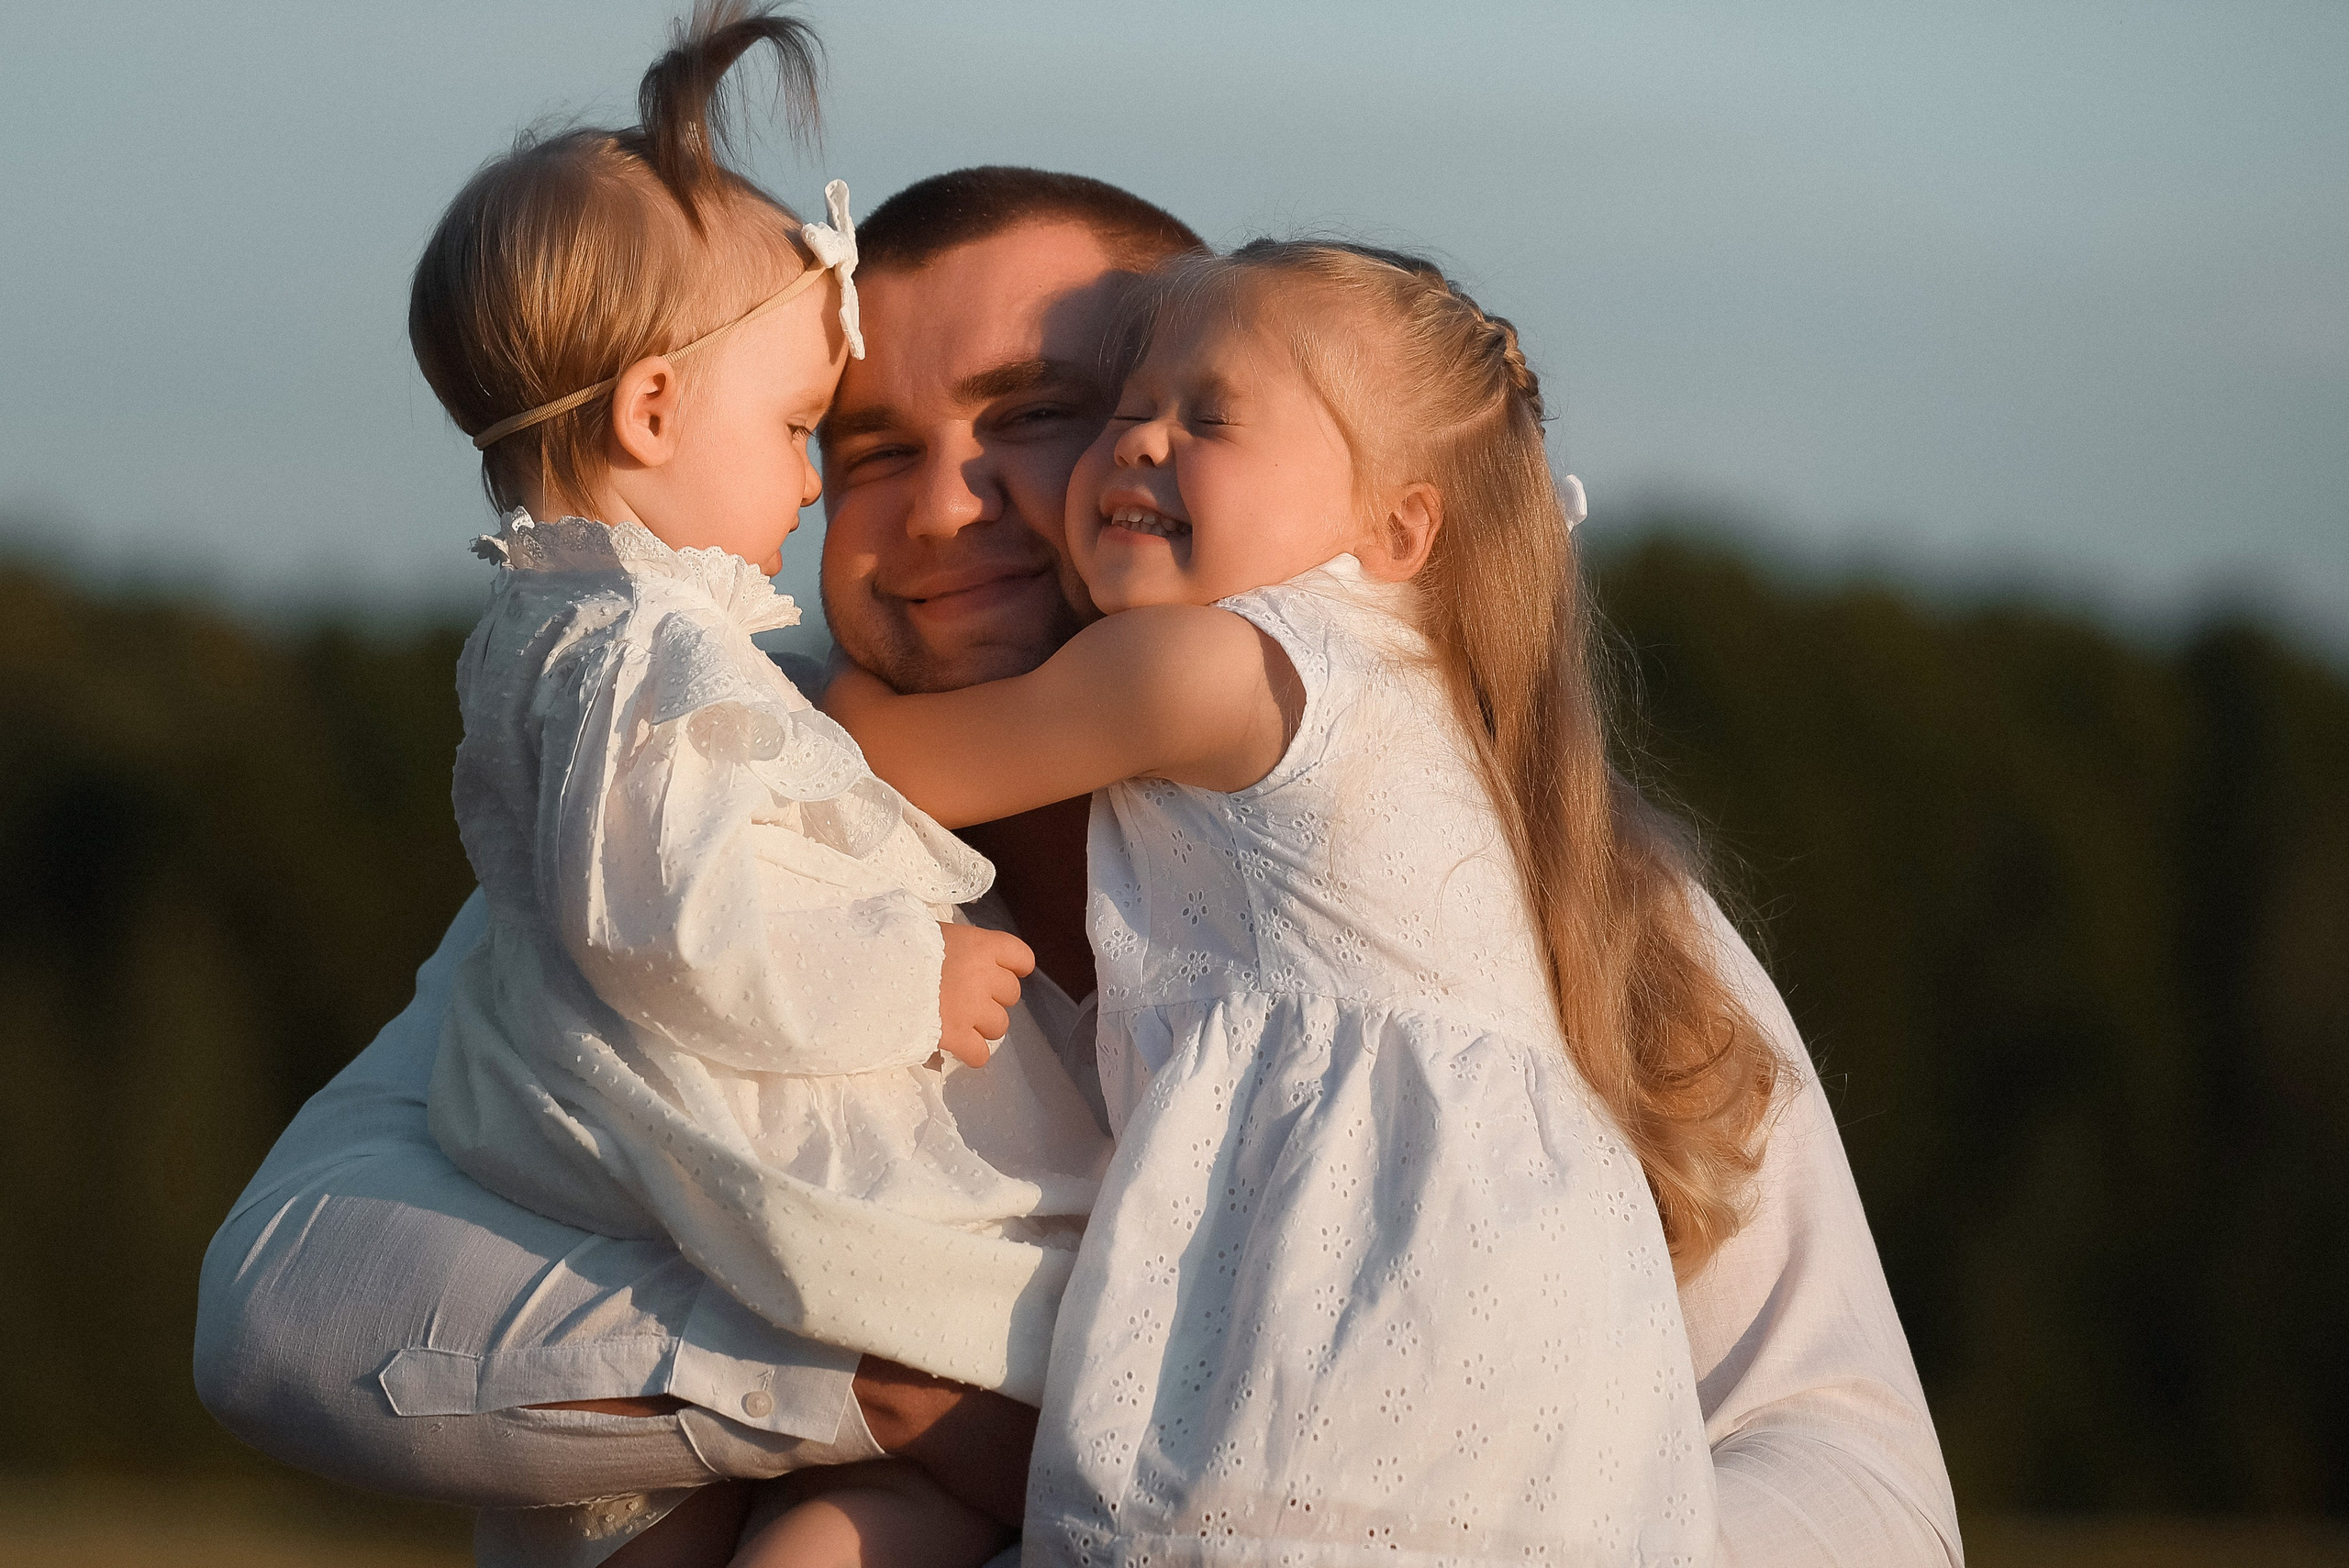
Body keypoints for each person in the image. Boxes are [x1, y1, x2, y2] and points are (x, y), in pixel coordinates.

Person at [195, 164, 1965, 1567]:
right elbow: (285, 1301)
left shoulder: (1539, 879)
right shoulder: (692, 836)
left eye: (1050, 410)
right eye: (860, 442)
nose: (952, 499)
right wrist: (878, 1395)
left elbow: (1857, 1471)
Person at [826, 236, 1778, 1563]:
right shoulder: (1430, 698)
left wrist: (790, 668)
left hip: (1359, 1330)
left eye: (1208, 418)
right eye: (1125, 410)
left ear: (1397, 527)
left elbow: (889, 762)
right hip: (1550, 1375)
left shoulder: (1217, 666)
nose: (1141, 443)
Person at [398, 10, 1105, 1566]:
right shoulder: (644, 660)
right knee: (992, 1330)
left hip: (651, 1195)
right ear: (652, 413)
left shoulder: (574, 636)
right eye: (815, 433)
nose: (806, 485)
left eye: (1033, 417)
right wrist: (901, 974)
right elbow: (688, 918)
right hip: (756, 1155)